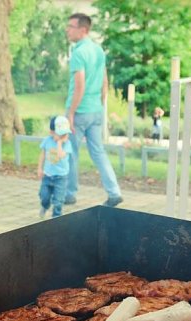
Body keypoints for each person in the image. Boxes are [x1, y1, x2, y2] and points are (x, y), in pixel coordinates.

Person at [64, 13, 123, 207]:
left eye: (71, 26)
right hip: (96, 110)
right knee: (98, 152)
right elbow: (104, 82)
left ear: (83, 30)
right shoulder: (98, 50)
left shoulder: (78, 53)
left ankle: (70, 194)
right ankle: (114, 193)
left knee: (71, 152)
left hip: (80, 112)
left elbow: (79, 85)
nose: (67, 30)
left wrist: (71, 113)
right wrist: (100, 104)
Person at [37, 116, 73, 219]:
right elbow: (42, 154)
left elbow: (61, 155)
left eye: (65, 133)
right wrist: (40, 168)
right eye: (60, 134)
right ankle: (44, 206)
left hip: (61, 178)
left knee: (58, 202)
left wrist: (59, 142)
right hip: (47, 175)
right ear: (51, 132)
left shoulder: (67, 144)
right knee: (44, 197)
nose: (64, 136)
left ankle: (56, 219)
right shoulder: (47, 141)